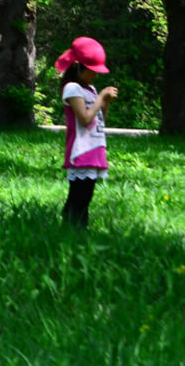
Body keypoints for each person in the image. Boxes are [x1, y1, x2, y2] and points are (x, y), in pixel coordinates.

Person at [56, 36, 116, 228]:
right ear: (78, 67)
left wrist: (104, 104)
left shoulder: (90, 89)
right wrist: (100, 98)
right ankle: (72, 227)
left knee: (87, 194)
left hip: (95, 147)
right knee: (79, 195)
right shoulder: (72, 88)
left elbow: (98, 121)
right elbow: (84, 118)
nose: (95, 76)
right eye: (92, 71)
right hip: (80, 150)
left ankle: (77, 228)